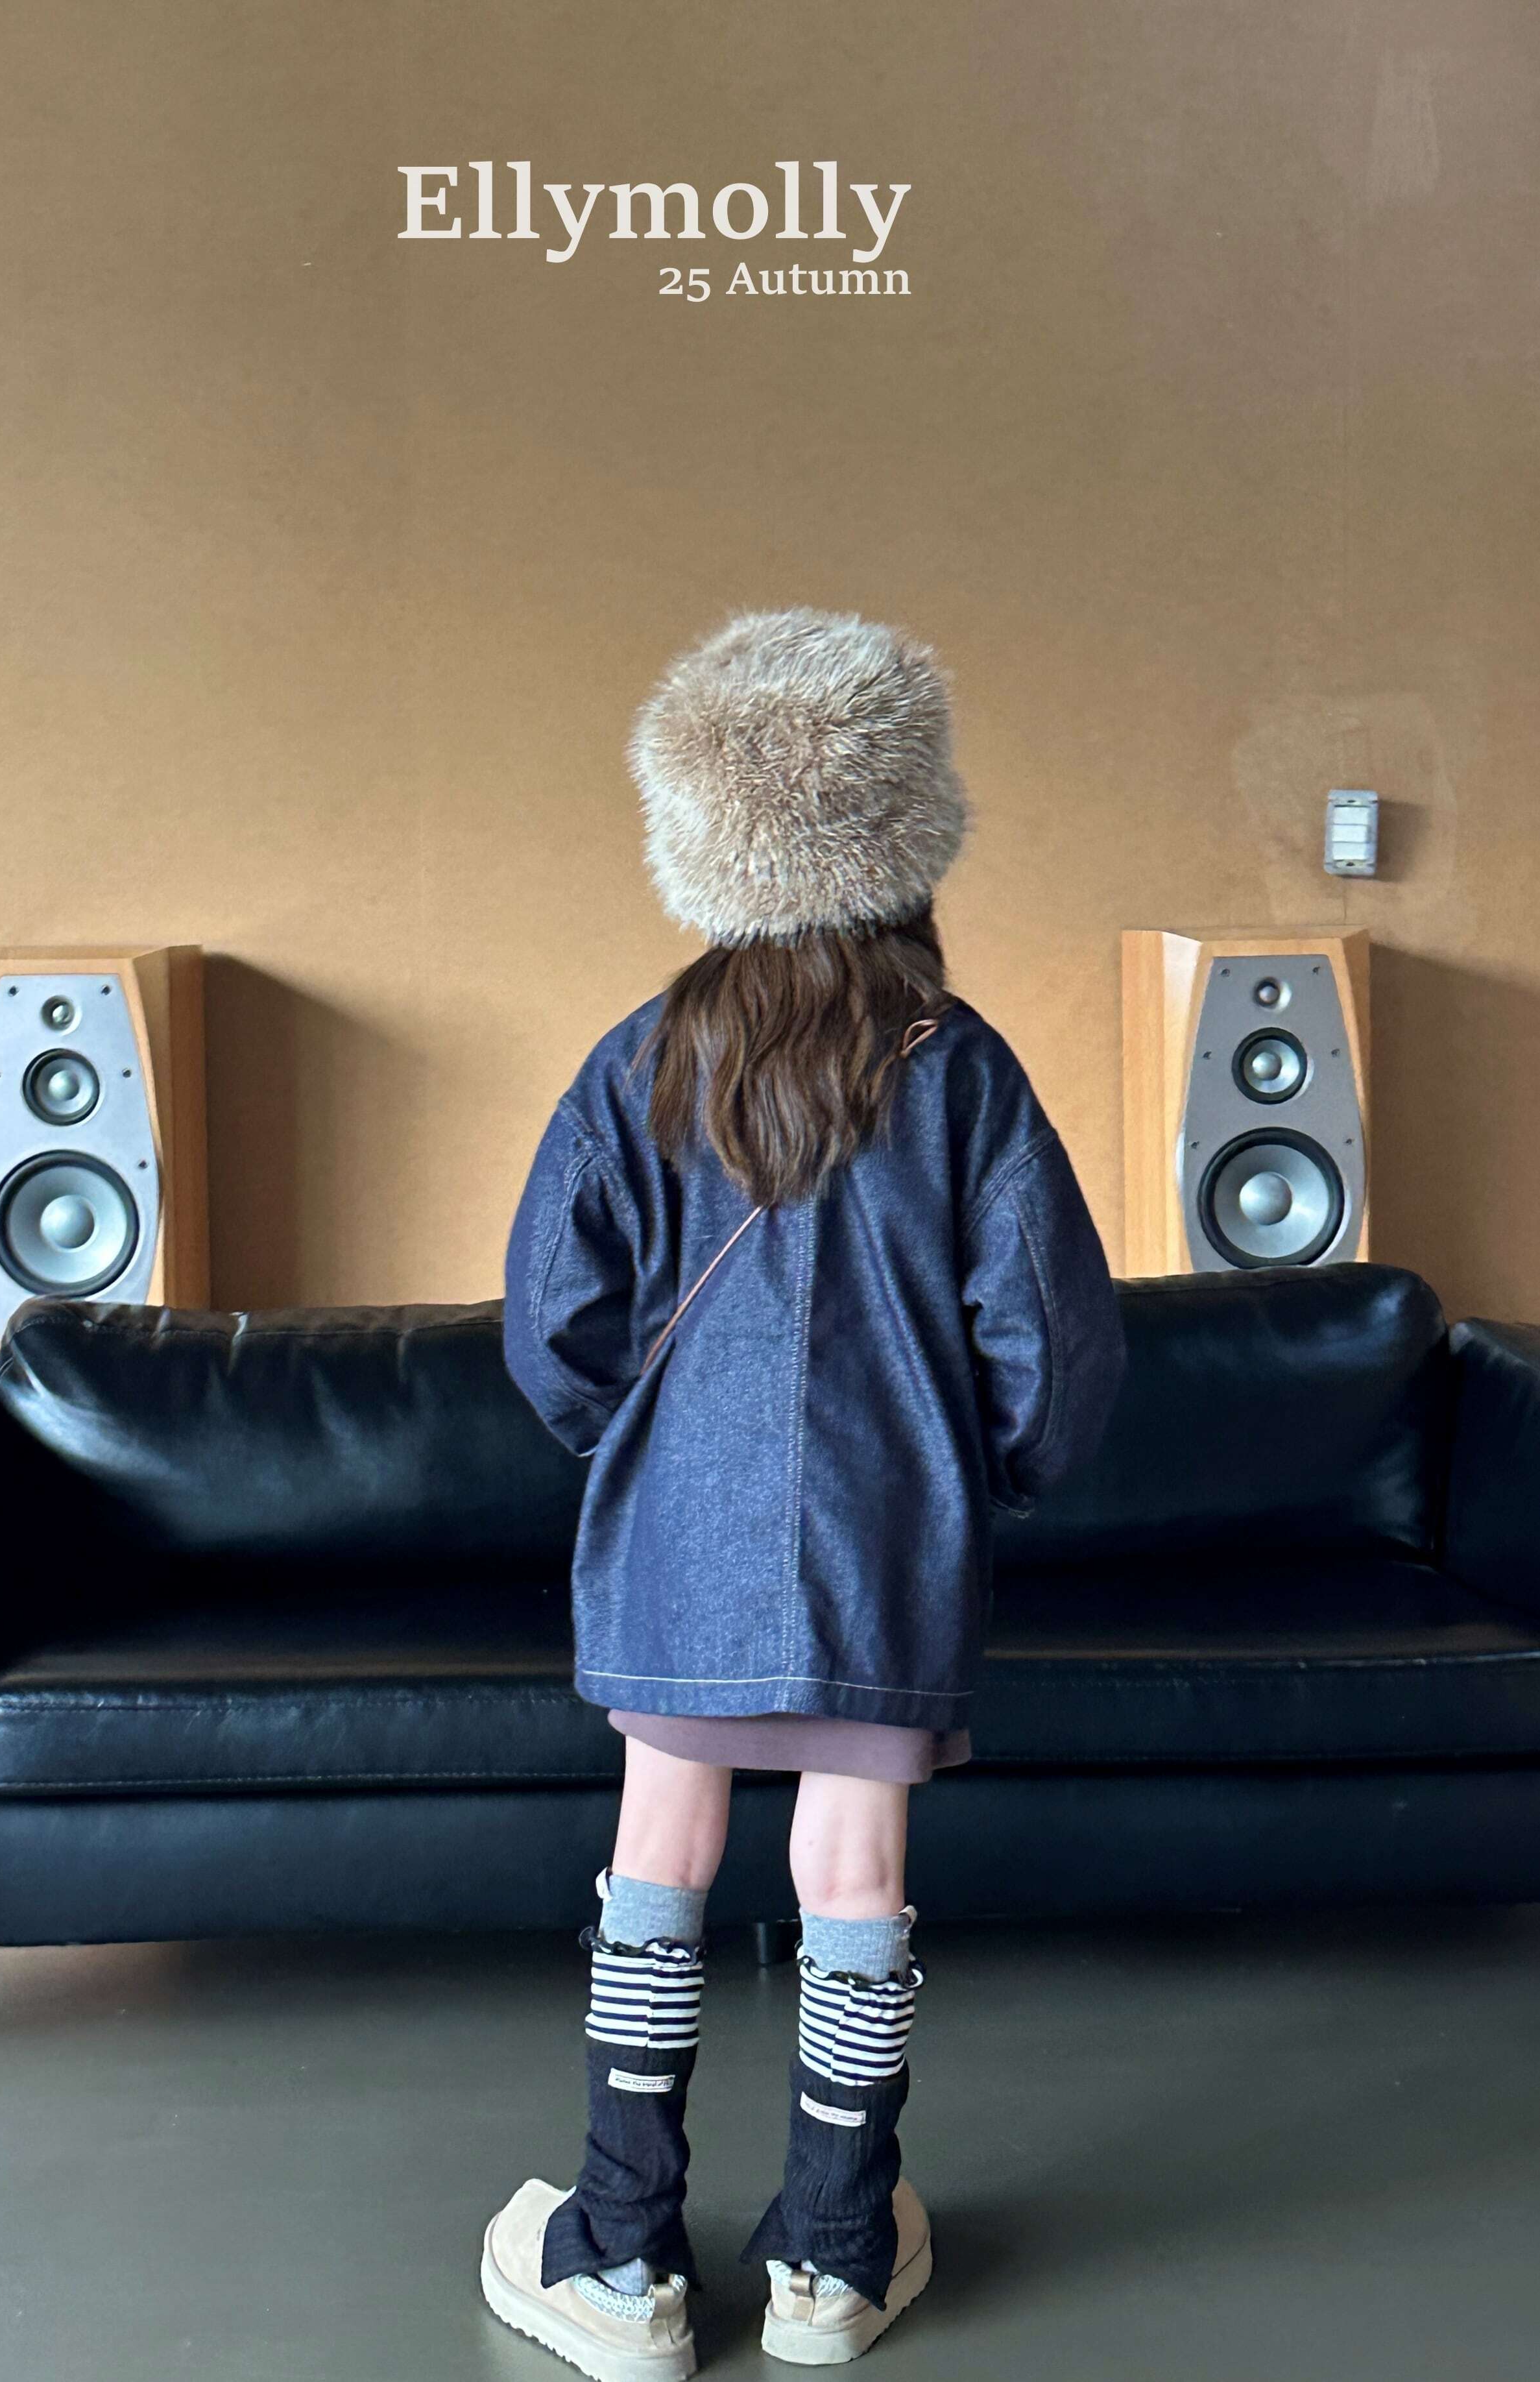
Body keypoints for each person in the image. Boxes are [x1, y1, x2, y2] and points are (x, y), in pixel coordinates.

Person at [480, 609, 1125, 2377]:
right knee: (857, 1870)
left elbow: (551, 1325)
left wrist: (635, 1446)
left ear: (708, 842)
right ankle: (834, 2259)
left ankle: (620, 2259)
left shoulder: (641, 1057)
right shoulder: (960, 1065)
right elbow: (1051, 1339)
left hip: (671, 1535)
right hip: (887, 1532)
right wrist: (987, 1475)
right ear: (905, 837)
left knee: (657, 1854)